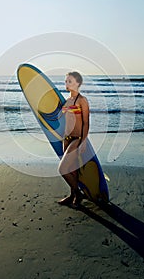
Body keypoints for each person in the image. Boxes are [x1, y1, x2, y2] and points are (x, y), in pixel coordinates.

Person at [58, 71, 90, 208]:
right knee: (71, 169)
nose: (66, 83)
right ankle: (72, 195)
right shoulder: (67, 101)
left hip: (77, 139)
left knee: (62, 169)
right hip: (67, 138)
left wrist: (83, 142)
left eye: (69, 81)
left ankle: (78, 194)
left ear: (78, 83)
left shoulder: (82, 100)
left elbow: (86, 123)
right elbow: (63, 119)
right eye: (66, 81)